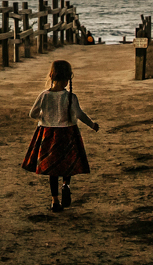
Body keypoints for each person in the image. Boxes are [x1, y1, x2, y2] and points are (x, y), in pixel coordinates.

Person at [23, 58, 100, 211]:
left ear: (51, 75)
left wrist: (45, 118)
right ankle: (66, 185)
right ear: (67, 79)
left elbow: (32, 114)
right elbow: (80, 114)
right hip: (68, 134)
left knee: (53, 168)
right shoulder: (71, 97)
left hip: (48, 135)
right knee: (67, 165)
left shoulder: (44, 96)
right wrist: (92, 125)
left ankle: (55, 201)